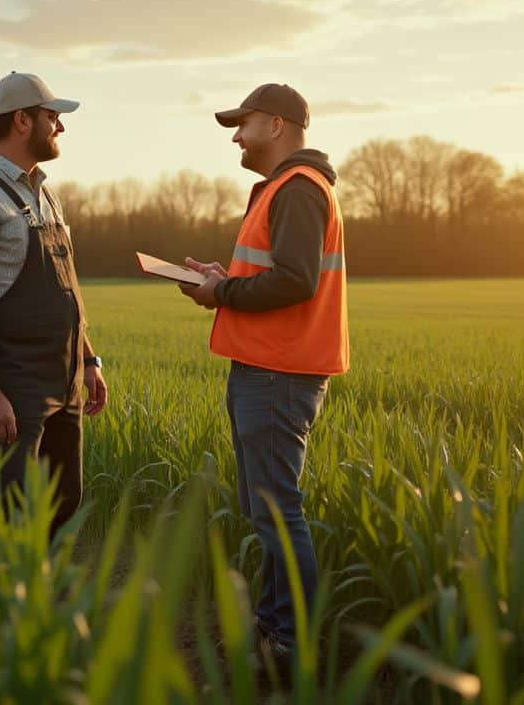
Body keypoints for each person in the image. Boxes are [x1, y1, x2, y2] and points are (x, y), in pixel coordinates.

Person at [178, 83, 348, 654]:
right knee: (265, 506)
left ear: (276, 126)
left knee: (277, 508)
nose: (235, 135)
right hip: (266, 367)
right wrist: (221, 275)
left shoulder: (298, 189)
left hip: (280, 371)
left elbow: (296, 281)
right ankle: (277, 624)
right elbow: (277, 273)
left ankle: (291, 639)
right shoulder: (284, 189)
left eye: (243, 124)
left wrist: (220, 290)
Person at [0, 72, 108, 538]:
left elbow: (65, 287)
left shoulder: (45, 193)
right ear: (22, 120)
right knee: (9, 510)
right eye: (52, 117)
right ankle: (4, 604)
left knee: (63, 502)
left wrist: (88, 360)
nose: (60, 127)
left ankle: (50, 603)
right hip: (13, 386)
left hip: (66, 380)